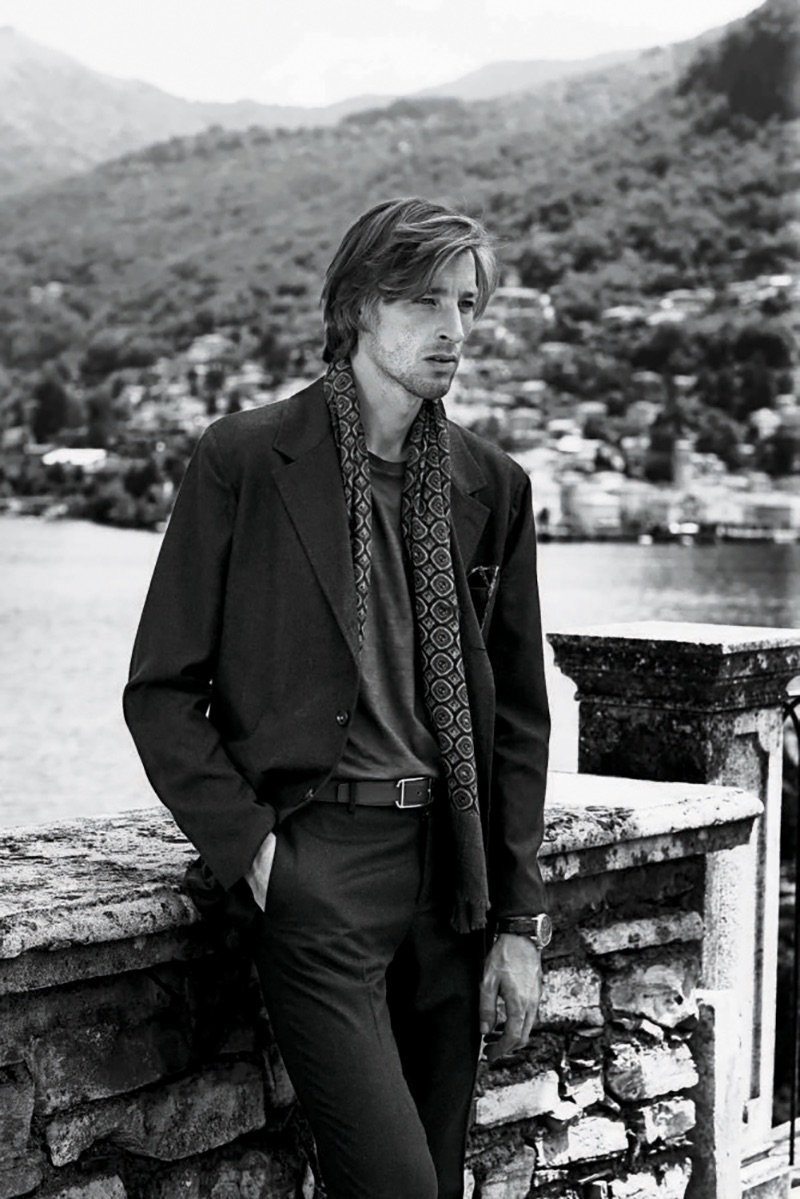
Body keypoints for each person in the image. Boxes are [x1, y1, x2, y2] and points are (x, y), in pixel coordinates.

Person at [123, 196, 551, 1199]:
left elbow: (516, 720)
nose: (452, 330)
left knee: (432, 1179)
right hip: (322, 871)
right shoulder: (246, 460)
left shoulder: (492, 484)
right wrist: (257, 852)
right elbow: (160, 689)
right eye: (423, 301)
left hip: (450, 881)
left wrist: (518, 921)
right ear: (359, 305)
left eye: (466, 304)